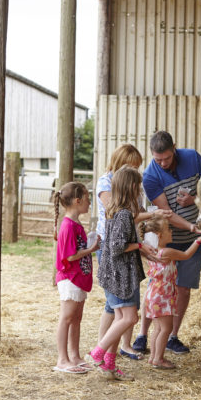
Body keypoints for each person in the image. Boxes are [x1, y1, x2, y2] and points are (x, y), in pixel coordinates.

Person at [133, 131, 201, 355]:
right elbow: (166, 213)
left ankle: (172, 336)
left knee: (183, 288)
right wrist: (191, 226)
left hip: (195, 237)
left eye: (166, 158)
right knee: (156, 286)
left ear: (174, 147)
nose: (163, 163)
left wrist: (194, 199)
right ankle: (143, 334)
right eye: (158, 159)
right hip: (167, 237)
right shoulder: (150, 176)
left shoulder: (193, 158)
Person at [95, 144, 171, 360]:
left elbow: (134, 214)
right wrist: (140, 243)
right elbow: (123, 219)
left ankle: (111, 354)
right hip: (117, 255)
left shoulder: (126, 191)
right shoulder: (109, 187)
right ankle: (101, 350)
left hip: (126, 252)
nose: (137, 172)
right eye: (133, 166)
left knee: (123, 308)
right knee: (122, 310)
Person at [86, 165, 157, 380]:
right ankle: (97, 353)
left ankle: (109, 365)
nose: (141, 190)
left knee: (120, 318)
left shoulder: (115, 210)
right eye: (139, 187)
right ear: (132, 187)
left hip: (115, 272)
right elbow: (117, 246)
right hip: (121, 274)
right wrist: (139, 246)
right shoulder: (125, 214)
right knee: (130, 318)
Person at [139, 216, 201, 369]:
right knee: (166, 328)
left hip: (153, 293)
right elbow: (186, 255)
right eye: (169, 229)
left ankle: (153, 357)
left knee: (158, 328)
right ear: (160, 235)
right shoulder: (166, 252)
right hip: (163, 295)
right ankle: (159, 359)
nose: (172, 231)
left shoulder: (152, 251)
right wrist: (198, 241)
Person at [53, 182, 100, 374]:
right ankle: (62, 359)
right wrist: (91, 249)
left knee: (76, 318)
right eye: (88, 200)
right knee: (67, 317)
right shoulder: (67, 226)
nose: (90, 203)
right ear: (78, 201)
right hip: (70, 278)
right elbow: (70, 256)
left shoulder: (76, 224)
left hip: (79, 277)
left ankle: (74, 356)